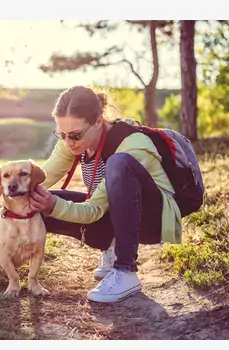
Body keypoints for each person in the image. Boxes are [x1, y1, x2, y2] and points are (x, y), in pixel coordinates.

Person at [29, 85, 182, 303]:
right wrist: (18, 194)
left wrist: (54, 205)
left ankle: (126, 270)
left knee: (118, 164)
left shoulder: (132, 144)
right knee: (33, 202)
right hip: (110, 213)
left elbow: (92, 210)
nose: (67, 142)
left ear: (98, 122)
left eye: (74, 135)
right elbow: (40, 178)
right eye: (61, 134)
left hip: (151, 221)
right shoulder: (72, 142)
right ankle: (110, 245)